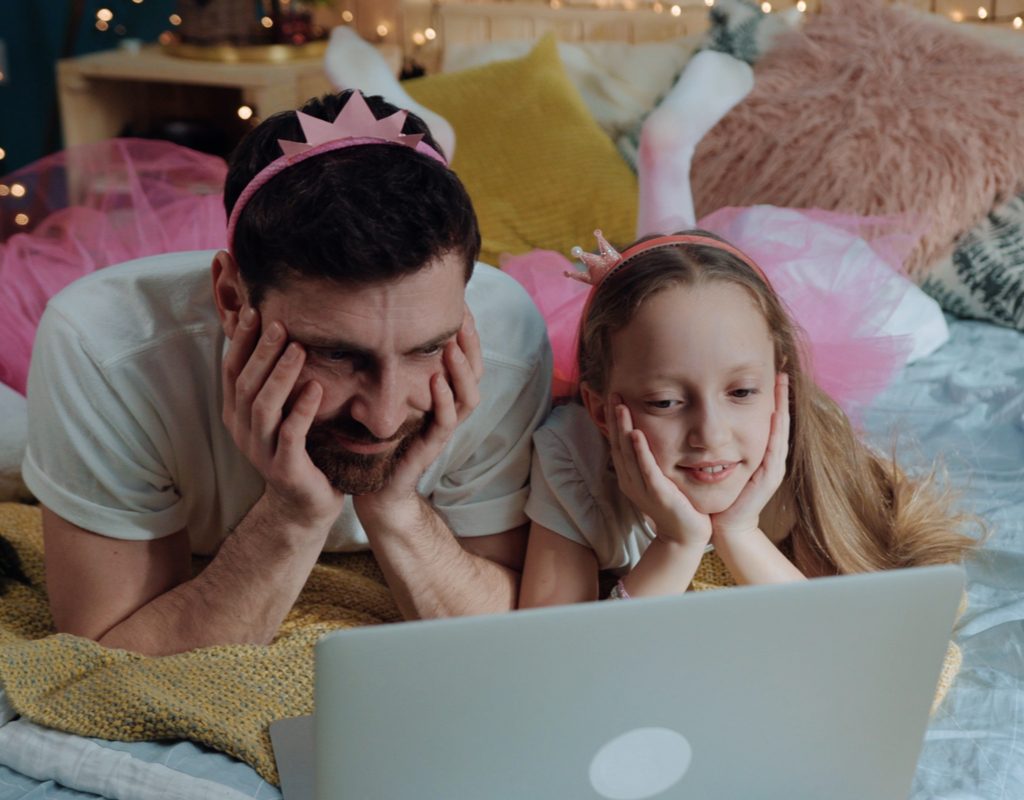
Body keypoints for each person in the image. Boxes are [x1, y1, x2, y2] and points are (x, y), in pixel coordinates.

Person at [22, 88, 552, 655]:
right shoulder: (103, 346)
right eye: (336, 354)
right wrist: (290, 515)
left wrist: (396, 509)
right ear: (230, 299)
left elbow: (516, 632)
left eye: (426, 348)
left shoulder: (504, 340)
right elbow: (108, 654)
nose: (384, 416)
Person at [517, 229, 976, 605]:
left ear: (781, 390)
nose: (710, 435)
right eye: (665, 402)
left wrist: (739, 533)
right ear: (601, 411)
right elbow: (558, 665)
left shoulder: (804, 444)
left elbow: (854, 654)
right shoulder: (572, 454)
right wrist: (677, 544)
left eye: (741, 392)